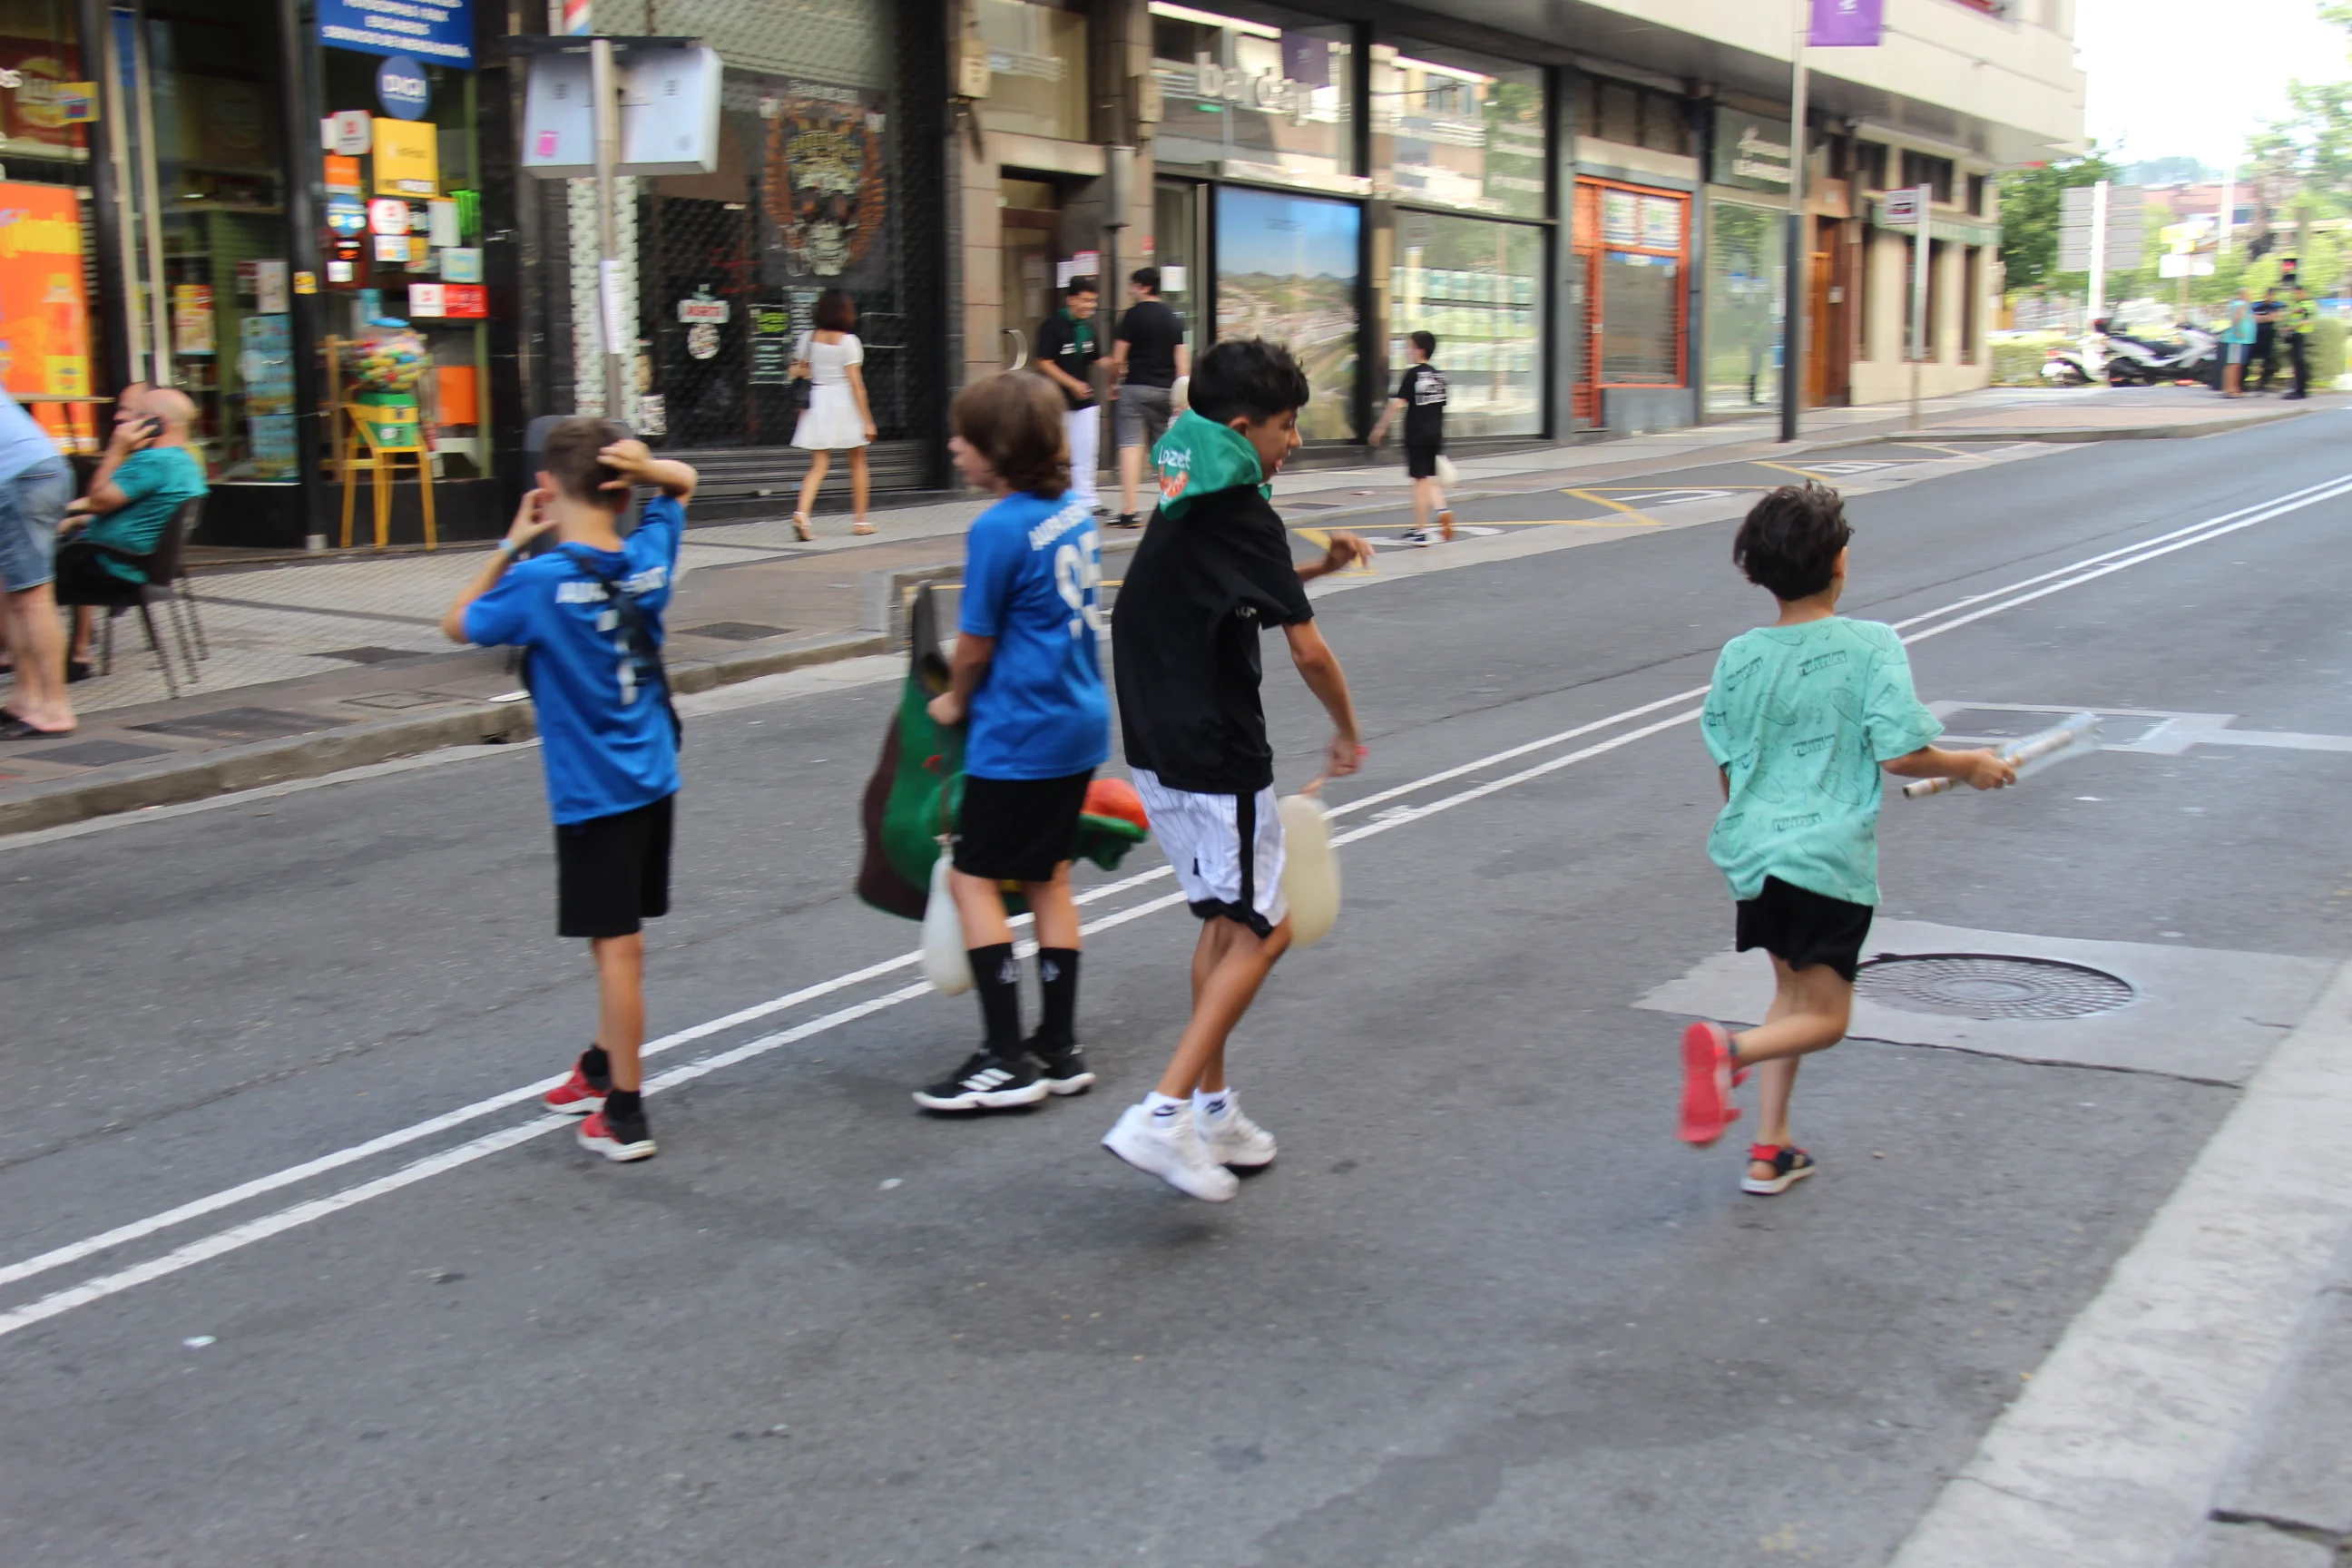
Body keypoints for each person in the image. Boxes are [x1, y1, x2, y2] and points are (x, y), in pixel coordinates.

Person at [1677, 483, 2014, 1193]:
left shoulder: (1739, 655)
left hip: (1754, 856)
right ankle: (1728, 1053)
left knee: (1791, 997)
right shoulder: (1870, 645)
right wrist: (1970, 765)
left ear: (1757, 572)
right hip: (1826, 861)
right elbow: (1901, 753)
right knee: (1827, 1018)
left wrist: (1752, 829)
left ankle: (1770, 1148)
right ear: (1839, 563)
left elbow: (1727, 759)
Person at [1103, 338, 1371, 1200]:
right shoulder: (1242, 508)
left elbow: (1226, 587)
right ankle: (1163, 1112)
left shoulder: (1188, 487)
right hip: (1217, 751)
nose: (1294, 441)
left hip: (1157, 744)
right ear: (1246, 426)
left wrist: (1316, 567)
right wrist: (1346, 731)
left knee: (1224, 923)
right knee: (1268, 927)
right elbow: (1308, 650)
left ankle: (1210, 1110)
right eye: (1287, 426)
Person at [439, 419, 699, 1163]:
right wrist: (651, 470)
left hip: (593, 794)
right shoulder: (649, 556)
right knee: (610, 937)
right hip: (653, 777)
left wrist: (510, 543)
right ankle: (600, 1064)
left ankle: (625, 1113)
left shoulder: (538, 581)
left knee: (619, 947)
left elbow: (455, 623)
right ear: (623, 490)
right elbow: (684, 485)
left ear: (547, 490)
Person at [912, 372, 1112, 1112]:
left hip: (1020, 732)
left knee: (972, 880)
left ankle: (1004, 1060)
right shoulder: (1074, 515)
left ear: (998, 448)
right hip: (1077, 722)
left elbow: (975, 646)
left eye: (965, 437)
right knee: (1049, 878)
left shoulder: (997, 528)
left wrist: (954, 701)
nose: (953, 447)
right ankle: (1058, 1045)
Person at [54, 385, 208, 679]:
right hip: (139, 566)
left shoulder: (152, 462)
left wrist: (116, 449)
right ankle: (70, 654)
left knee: (23, 577)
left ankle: (30, 662)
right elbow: (132, 511)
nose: (123, 422)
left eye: (135, 415)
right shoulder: (184, 461)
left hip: (113, 568)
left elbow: (98, 501)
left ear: (156, 423)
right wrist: (76, 520)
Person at [0, 387, 76, 738]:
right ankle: (26, 699)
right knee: (16, 595)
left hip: (20, 478)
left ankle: (55, 708)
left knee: (33, 598)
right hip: (32, 473)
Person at [789, 289, 879, 540]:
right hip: (844, 402)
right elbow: (856, 385)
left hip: (817, 400)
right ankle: (860, 521)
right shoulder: (849, 342)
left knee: (819, 464)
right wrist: (868, 421)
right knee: (858, 460)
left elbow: (795, 370)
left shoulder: (808, 338)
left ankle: (802, 514)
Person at [1107, 267, 1191, 530]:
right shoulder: (1174, 317)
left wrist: (1113, 382)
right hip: (1167, 391)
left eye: (1133, 285)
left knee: (1131, 446)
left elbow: (1118, 358)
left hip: (1135, 388)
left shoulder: (1131, 316)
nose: (1130, 290)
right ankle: (1175, 507)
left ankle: (1130, 512)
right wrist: (1182, 396)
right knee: (1167, 451)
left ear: (1144, 287)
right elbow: (1183, 362)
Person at [1367, 330, 1455, 544]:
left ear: (1420, 350)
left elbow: (1397, 404)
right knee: (1428, 478)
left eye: (1409, 347)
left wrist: (1380, 428)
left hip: (1417, 435)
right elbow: (1441, 406)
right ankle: (1442, 510)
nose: (1407, 351)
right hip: (1435, 435)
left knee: (1419, 482)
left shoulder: (1413, 374)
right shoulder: (1439, 376)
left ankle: (1421, 530)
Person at [1034, 279, 1102, 513]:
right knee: (1057, 452)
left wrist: (1118, 366)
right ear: (1071, 299)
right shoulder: (1052, 326)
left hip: (1085, 401)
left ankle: (1086, 499)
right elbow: (1044, 362)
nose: (1090, 305)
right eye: (1085, 300)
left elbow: (1096, 359)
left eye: (1093, 301)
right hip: (1056, 400)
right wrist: (1072, 384)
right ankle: (1053, 498)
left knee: (1087, 451)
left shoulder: (1088, 328)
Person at [2281, 285, 2315, 401]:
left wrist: (2289, 328)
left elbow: (2303, 317)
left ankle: (2300, 391)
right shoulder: (2296, 303)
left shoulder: (2308, 303)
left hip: (2302, 336)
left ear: (2303, 292)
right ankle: (2298, 389)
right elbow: (2291, 317)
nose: (2295, 295)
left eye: (2297, 293)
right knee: (2297, 364)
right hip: (2295, 337)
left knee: (2300, 364)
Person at [2220, 289, 2255, 397]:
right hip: (2236, 340)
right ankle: (2229, 390)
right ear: (2241, 295)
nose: (2249, 296)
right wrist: (2237, 330)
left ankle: (2235, 388)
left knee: (2237, 365)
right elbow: (2237, 317)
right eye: (2247, 294)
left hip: (2244, 341)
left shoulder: (2244, 305)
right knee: (2233, 365)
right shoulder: (2240, 304)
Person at [2250, 288, 2283, 393]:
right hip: (2256, 335)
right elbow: (2252, 318)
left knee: (2269, 361)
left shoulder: (2277, 306)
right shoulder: (2256, 305)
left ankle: (2262, 384)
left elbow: (2275, 318)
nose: (2270, 297)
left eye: (2272, 295)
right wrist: (2267, 317)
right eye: (2268, 295)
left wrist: (2261, 318)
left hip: (2269, 336)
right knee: (2248, 359)